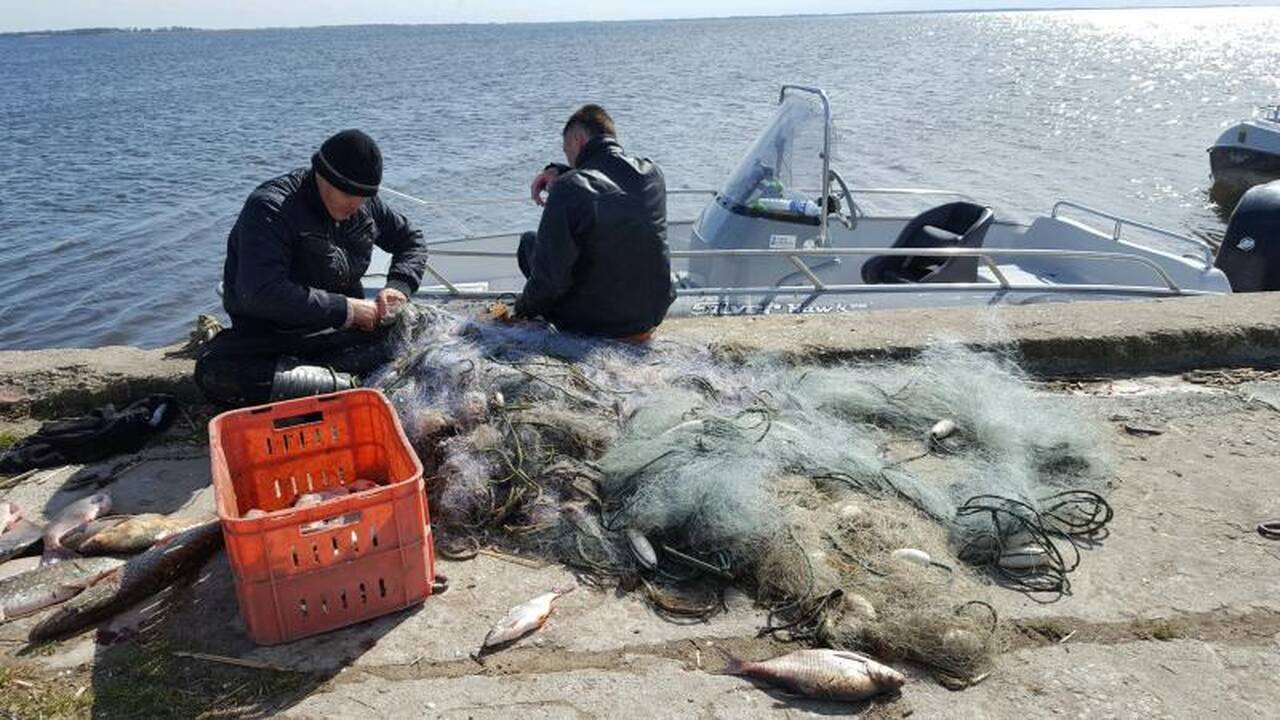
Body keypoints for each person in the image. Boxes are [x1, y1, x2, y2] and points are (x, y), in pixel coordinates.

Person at [194, 129, 429, 406]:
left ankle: (327, 385)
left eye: (364, 198)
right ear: (322, 176)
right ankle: (349, 385)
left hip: (335, 335)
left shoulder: (364, 204)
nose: (356, 206)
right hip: (274, 339)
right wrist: (348, 309)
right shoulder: (270, 208)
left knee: (416, 330)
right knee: (215, 371)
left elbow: (411, 240)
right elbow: (261, 292)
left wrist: (398, 287)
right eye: (349, 196)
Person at [513, 104, 674, 340]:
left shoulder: (569, 188)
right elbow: (608, 184)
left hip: (597, 324)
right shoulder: (652, 174)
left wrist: (520, 311)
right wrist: (560, 170)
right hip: (650, 315)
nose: (568, 157)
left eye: (566, 150)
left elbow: (550, 279)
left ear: (578, 139)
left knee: (529, 243)